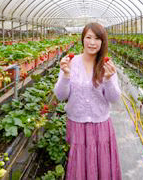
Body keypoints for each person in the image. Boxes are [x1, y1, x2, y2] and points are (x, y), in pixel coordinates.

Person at [54, 22, 121, 180]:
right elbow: (60, 96)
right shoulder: (71, 63)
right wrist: (65, 75)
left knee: (102, 167)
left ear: (102, 42)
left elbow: (115, 99)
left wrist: (109, 79)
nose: (92, 42)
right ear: (82, 39)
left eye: (97, 38)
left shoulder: (106, 65)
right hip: (77, 125)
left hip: (101, 125)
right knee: (80, 168)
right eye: (88, 37)